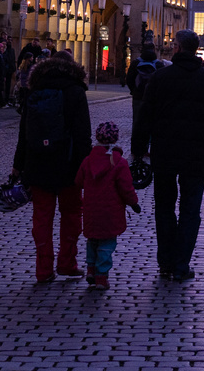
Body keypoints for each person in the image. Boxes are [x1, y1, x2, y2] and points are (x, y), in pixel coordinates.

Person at [131, 30, 204, 282]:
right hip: (196, 155)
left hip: (164, 154)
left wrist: (139, 148)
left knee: (164, 207)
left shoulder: (161, 77)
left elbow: (145, 116)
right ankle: (181, 264)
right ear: (195, 49)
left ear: (176, 48)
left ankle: (165, 262)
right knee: (190, 210)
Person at [12, 56, 92, 283]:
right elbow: (82, 133)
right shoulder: (76, 91)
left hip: (38, 163)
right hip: (68, 165)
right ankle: (67, 263)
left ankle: (43, 269)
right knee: (72, 216)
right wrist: (84, 165)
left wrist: (18, 165)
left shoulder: (35, 89)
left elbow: (24, 133)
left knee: (42, 219)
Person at [76, 121, 140, 290]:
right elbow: (126, 188)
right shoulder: (119, 163)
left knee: (92, 240)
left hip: (91, 210)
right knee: (106, 244)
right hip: (110, 213)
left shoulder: (87, 161)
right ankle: (101, 276)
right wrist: (134, 203)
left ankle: (90, 268)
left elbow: (78, 182)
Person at [128, 44, 160, 130]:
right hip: (154, 98)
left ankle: (137, 139)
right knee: (153, 120)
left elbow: (129, 79)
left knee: (137, 120)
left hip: (138, 96)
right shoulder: (159, 64)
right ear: (154, 50)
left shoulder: (135, 63)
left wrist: (134, 90)